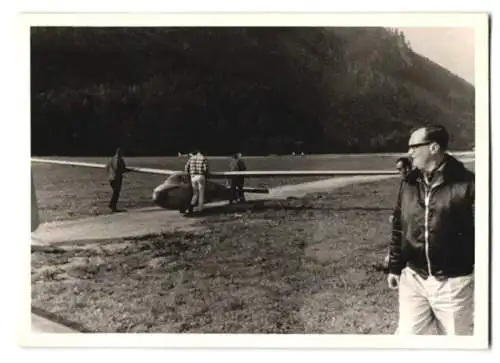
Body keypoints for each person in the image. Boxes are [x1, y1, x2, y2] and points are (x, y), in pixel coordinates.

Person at [387, 124, 475, 335]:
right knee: (406, 341)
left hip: (452, 283)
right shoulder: (409, 183)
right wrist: (395, 266)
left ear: (434, 148)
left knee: (456, 345)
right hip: (413, 279)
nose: (409, 152)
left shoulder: (468, 184)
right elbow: (399, 225)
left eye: (414, 146)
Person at [105, 148, 130, 213]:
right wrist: (125, 171)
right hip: (116, 178)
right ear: (120, 153)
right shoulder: (119, 160)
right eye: (122, 153)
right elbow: (119, 169)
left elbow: (107, 168)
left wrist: (109, 175)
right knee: (116, 193)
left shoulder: (111, 159)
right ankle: (112, 206)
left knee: (115, 192)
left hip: (111, 178)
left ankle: (112, 206)